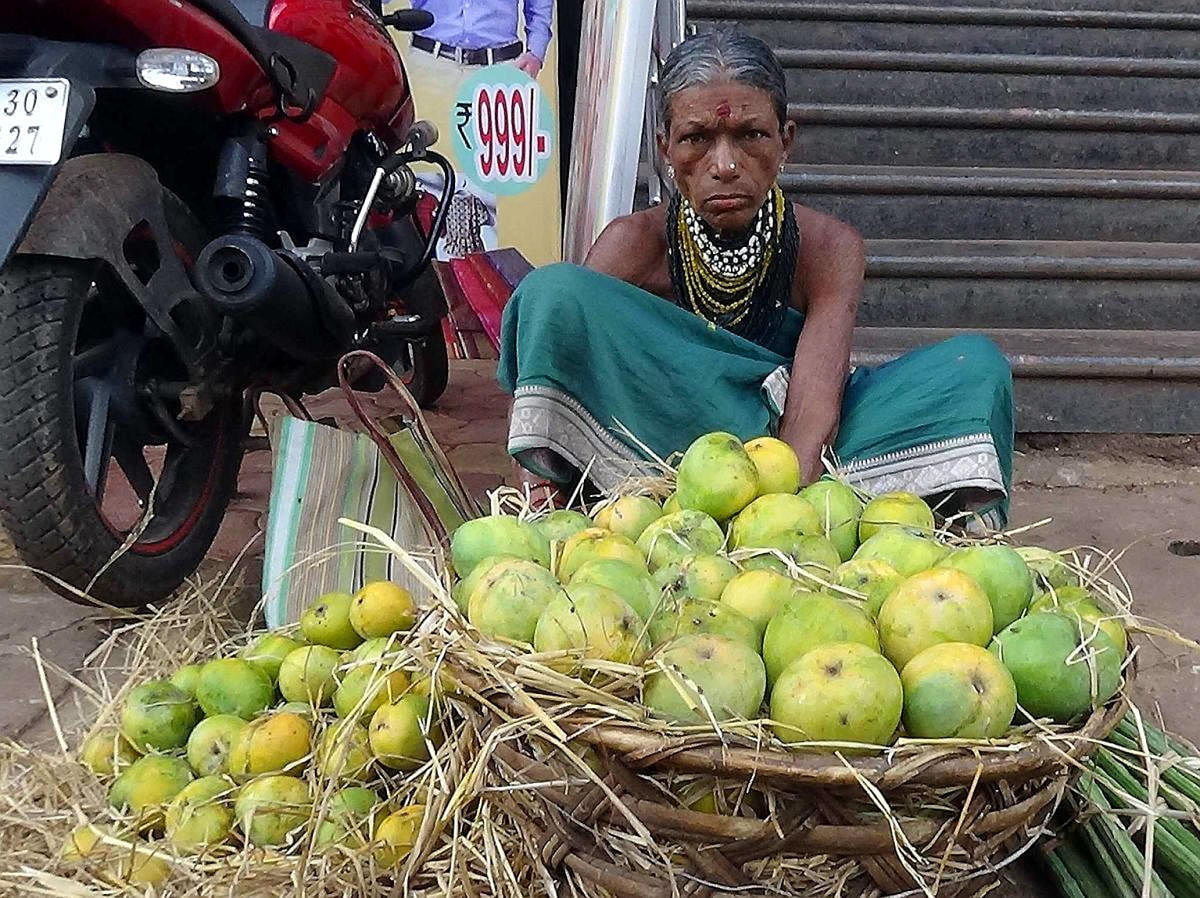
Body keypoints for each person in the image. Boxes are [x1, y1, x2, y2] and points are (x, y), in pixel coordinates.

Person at [498, 30, 1014, 528]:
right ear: (665, 149)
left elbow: (813, 412)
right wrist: (540, 482)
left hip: (789, 458)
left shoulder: (830, 247)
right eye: (697, 138)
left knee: (972, 370)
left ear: (785, 142)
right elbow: (568, 367)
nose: (724, 164)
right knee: (552, 292)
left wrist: (774, 520)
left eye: (751, 135)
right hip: (669, 447)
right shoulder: (634, 243)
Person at [392, 0, 554, 258]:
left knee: (488, 185)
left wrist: (536, 50)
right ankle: (427, 281)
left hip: (497, 68)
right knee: (422, 175)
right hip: (429, 63)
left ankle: (481, 284)